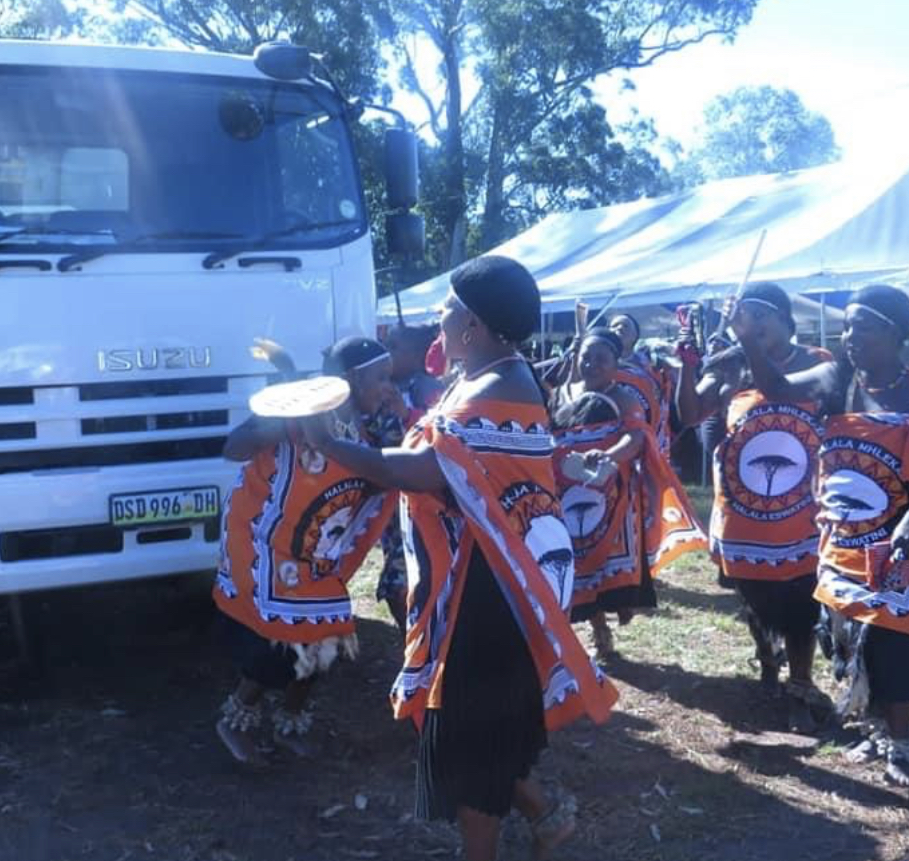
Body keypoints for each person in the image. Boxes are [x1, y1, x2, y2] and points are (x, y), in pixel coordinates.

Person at [305, 256, 616, 861]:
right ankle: (545, 814)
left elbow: (424, 470)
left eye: (447, 310)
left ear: (472, 324)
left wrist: (328, 444)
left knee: (472, 738)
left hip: (490, 592)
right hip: (480, 581)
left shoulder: (502, 387)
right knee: (472, 728)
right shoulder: (486, 378)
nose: (439, 321)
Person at [732, 285, 909, 786]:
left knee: (898, 634)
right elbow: (777, 386)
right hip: (844, 536)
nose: (848, 337)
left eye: (860, 327)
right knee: (848, 636)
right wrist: (752, 344)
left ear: (894, 333)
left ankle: (904, 743)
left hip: (903, 533)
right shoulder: (835, 377)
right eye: (845, 326)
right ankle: (880, 726)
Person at [212, 336, 398, 764]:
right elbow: (233, 448)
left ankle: (290, 717)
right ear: (351, 379)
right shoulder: (297, 419)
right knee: (285, 636)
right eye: (381, 379)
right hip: (262, 541)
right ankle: (237, 718)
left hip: (312, 555)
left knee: (327, 635)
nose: (388, 388)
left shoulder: (362, 430)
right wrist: (283, 411)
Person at [677, 284, 833, 731]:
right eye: (748, 314)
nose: (756, 323)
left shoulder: (817, 362)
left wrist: (745, 342)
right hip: (744, 513)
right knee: (755, 596)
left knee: (801, 599)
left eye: (764, 314)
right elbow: (689, 414)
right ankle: (768, 659)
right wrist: (689, 366)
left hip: (801, 511)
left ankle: (800, 682)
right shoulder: (731, 364)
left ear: (788, 320)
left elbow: (779, 389)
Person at [552, 327, 707, 658]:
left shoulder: (622, 397)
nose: (592, 365)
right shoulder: (560, 394)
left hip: (614, 494)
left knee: (610, 565)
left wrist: (609, 457)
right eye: (586, 358)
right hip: (570, 491)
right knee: (579, 564)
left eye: (601, 359)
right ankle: (598, 629)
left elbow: (636, 436)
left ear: (616, 364)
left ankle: (620, 604)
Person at [375, 323, 446, 632]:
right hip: (390, 504)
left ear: (418, 355)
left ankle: (420, 637)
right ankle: (415, 638)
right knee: (398, 577)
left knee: (404, 579)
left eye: (394, 348)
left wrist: (405, 412)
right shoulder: (384, 385)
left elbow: (439, 440)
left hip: (420, 501)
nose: (387, 355)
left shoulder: (427, 388)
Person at [609, 313, 676, 457]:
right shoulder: (602, 364)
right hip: (613, 432)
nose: (619, 328)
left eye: (625, 325)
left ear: (636, 336)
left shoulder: (651, 363)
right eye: (614, 326)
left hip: (649, 430)